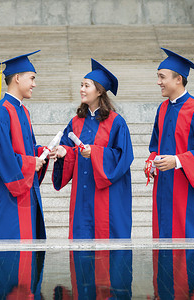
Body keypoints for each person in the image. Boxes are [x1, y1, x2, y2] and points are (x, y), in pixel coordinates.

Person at [51, 59, 134, 239]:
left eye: (86, 86)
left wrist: (96, 153)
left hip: (107, 197)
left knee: (107, 243)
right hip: (82, 194)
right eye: (81, 85)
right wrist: (64, 152)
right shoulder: (75, 121)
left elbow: (124, 156)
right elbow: (68, 146)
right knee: (82, 239)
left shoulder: (116, 122)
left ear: (99, 91)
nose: (81, 89)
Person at [144, 47, 194, 239]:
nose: (158, 82)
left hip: (188, 193)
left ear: (178, 79)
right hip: (164, 191)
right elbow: (156, 146)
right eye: (158, 77)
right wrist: (152, 161)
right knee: (165, 244)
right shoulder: (162, 109)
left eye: (162, 77)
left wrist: (177, 161)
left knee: (190, 248)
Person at [0, 50, 49, 240]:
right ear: (17, 78)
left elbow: (25, 150)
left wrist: (42, 153)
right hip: (8, 200)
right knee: (11, 261)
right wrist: (29, 164)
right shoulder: (1, 112)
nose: (35, 84)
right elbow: (0, 155)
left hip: (26, 197)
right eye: (32, 78)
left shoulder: (23, 111)